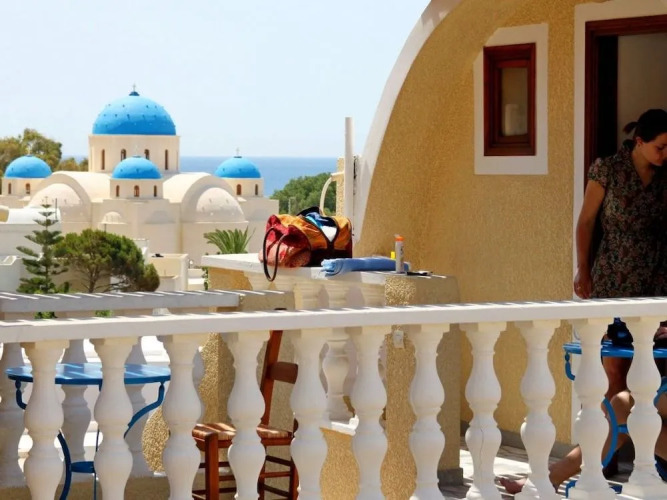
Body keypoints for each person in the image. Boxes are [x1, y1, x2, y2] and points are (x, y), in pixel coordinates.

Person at [574, 108, 667, 399]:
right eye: (660, 147)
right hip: (613, 276)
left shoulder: (665, 176)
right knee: (614, 368)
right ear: (639, 141)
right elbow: (586, 221)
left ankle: (639, 427)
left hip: (655, 279)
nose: (665, 154)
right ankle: (611, 428)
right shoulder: (607, 170)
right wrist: (583, 269)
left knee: (651, 367)